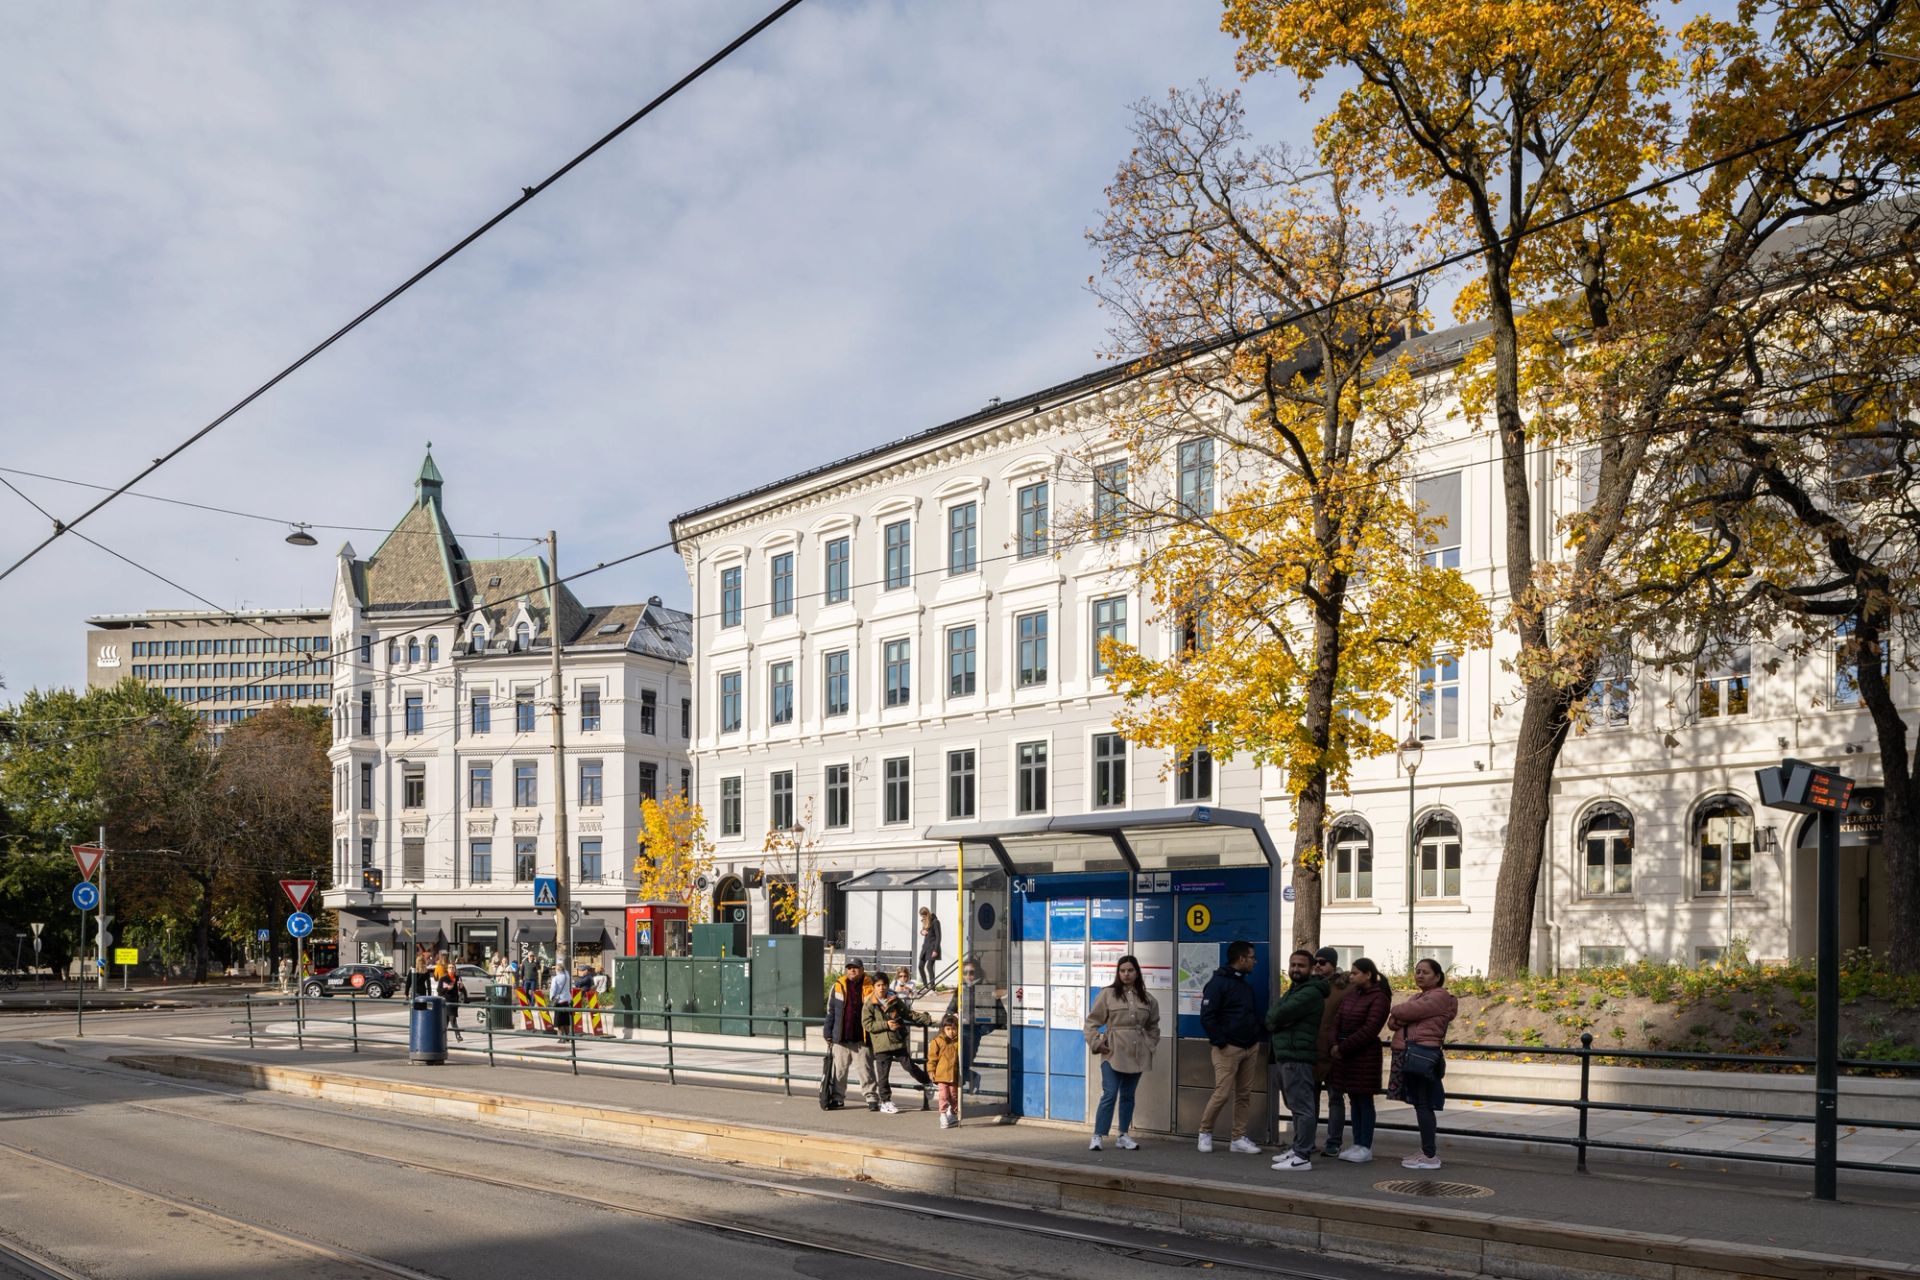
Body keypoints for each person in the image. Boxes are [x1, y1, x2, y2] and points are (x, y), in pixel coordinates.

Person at [1083, 954, 1161, 1152]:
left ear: (1137, 973)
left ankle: (1123, 1135)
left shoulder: (1148, 999)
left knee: (1128, 1095)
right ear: (1118, 973)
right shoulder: (1107, 994)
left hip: (1137, 1053)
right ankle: (1098, 1135)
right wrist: (1097, 1043)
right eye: (1122, 970)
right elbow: (1091, 1022)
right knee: (1109, 1093)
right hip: (1113, 1051)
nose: (1126, 974)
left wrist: (1150, 1045)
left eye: (1130, 970)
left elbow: (1153, 1026)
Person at [1388, 957, 1458, 1170]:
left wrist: (1405, 1013)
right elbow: (1392, 1022)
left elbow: (1400, 1013)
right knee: (1420, 1103)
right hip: (1411, 1052)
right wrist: (1406, 1014)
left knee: (1424, 1104)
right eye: (1417, 971)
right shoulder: (1419, 997)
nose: (1419, 975)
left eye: (1425, 972)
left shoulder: (1440, 996)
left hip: (1422, 1054)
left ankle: (1430, 1155)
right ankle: (1426, 1150)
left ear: (1437, 976)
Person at [1196, 939, 1265, 1155]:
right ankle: (1205, 1132)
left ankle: (1238, 1138)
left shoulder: (1244, 984)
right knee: (1222, 1093)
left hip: (1249, 1046)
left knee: (1244, 1094)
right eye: (1252, 958)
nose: (1255, 962)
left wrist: (1254, 1037)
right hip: (1228, 1049)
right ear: (1241, 959)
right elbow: (1208, 1017)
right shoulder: (1217, 984)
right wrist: (1221, 1043)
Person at [1266, 948, 1329, 1172]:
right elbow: (1275, 1014)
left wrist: (1278, 1019)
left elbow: (1275, 1016)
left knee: (1302, 1107)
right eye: (1293, 965)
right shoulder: (1296, 989)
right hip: (1287, 1054)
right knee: (1295, 1105)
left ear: (1311, 968)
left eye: (1301, 965)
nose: (1295, 969)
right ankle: (1298, 1148)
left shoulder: (1310, 992)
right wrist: (1278, 1018)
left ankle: (1302, 1155)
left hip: (1297, 1055)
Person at [1327, 958, 1391, 1163]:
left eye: (1355, 973)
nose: (1351, 976)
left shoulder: (1379, 998)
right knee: (1353, 1099)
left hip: (1363, 1055)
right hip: (1346, 1055)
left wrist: (1342, 1047)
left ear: (1368, 974)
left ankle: (1365, 1145)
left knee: (1364, 1100)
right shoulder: (1352, 995)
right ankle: (1356, 1143)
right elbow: (1337, 1021)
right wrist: (1334, 1043)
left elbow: (1370, 1029)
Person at [863, 973, 932, 1114]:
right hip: (881, 1045)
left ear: (888, 985)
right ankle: (886, 1102)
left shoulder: (894, 1000)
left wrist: (926, 1019)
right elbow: (867, 1024)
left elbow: (908, 1013)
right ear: (873, 987)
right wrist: (886, 1025)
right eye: (878, 985)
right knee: (883, 1075)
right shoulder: (869, 1004)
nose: (881, 988)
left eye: (884, 985)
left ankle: (928, 1082)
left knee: (910, 1066)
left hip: (897, 1040)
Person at [1311, 947, 1352, 1156]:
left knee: (1335, 1098)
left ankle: (1333, 1142)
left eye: (1323, 962)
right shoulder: (1309, 986)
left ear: (1333, 965)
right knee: (1311, 1099)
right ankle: (1307, 1141)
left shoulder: (1344, 988)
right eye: (1316, 961)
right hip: (1311, 1050)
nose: (1318, 965)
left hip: (1334, 1051)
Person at [943, 959, 1007, 1094]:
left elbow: (1001, 1016)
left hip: (971, 1033)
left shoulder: (986, 989)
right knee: (951, 1065)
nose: (968, 976)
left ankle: (968, 1082)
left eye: (971, 972)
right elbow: (949, 1010)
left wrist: (981, 1029)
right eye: (965, 973)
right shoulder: (960, 990)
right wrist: (950, 1019)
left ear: (978, 973)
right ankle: (963, 1087)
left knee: (961, 1066)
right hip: (956, 1033)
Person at [824, 959, 877, 1110]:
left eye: (855, 968)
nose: (852, 971)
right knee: (839, 1071)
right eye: (849, 968)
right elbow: (831, 1011)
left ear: (862, 969)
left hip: (862, 1037)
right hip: (841, 1037)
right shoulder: (838, 986)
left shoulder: (870, 985)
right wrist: (827, 1032)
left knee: (866, 1070)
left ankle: (871, 1098)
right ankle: (837, 1098)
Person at [927, 1014, 962, 1129]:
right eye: (948, 1029)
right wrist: (931, 1071)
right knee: (943, 1095)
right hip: (942, 1075)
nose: (951, 1032)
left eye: (953, 1029)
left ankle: (952, 1114)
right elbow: (932, 1058)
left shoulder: (959, 1042)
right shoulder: (938, 1041)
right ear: (943, 1029)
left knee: (953, 1095)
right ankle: (942, 1115)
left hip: (954, 1075)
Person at [435, 962, 465, 1044]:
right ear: (447, 969)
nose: (451, 969)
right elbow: (439, 991)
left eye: (453, 967)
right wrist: (447, 988)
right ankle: (458, 1036)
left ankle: (442, 1037)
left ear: (455, 969)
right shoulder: (443, 978)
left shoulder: (458, 978)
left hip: (454, 1002)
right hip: (446, 1001)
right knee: (452, 1019)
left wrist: (461, 987)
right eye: (450, 967)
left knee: (448, 1020)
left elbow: (462, 990)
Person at [547, 953, 572, 1037]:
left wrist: (551, 998)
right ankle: (568, 1035)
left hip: (559, 1001)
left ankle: (561, 1037)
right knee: (566, 1020)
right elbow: (566, 971)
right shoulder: (567, 976)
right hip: (567, 1000)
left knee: (559, 1021)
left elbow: (553, 989)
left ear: (557, 970)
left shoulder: (556, 978)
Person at [917, 906, 942, 990]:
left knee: (929, 967)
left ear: (927, 914)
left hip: (933, 948)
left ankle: (932, 988)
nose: (922, 918)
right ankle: (925, 986)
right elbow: (923, 931)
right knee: (920, 966)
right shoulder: (925, 921)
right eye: (921, 916)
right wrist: (922, 932)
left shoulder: (935, 922)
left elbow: (938, 937)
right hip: (925, 948)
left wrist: (936, 950)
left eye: (923, 916)